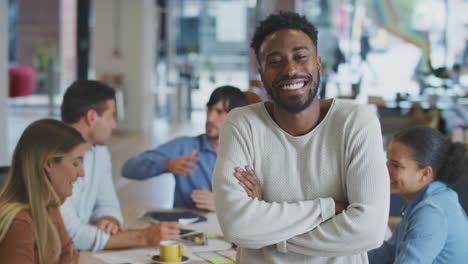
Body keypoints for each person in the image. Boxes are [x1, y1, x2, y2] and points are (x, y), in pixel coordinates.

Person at [212, 11, 390, 263]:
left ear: (318, 64)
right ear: (261, 74)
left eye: (301, 57)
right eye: (275, 61)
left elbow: (370, 231)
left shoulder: (355, 121)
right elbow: (236, 225)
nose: (291, 69)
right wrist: (328, 208)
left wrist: (270, 231)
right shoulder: (242, 124)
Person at [59, 80, 181, 251]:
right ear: (92, 117)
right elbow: (69, 235)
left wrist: (109, 220)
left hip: (82, 252)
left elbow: (108, 202)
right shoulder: (52, 160)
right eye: (111, 116)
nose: (114, 124)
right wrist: (143, 237)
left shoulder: (99, 152)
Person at [122, 86, 248, 211]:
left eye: (219, 112)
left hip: (230, 228)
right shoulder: (185, 147)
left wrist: (223, 205)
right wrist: (166, 164)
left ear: (236, 118)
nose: (210, 118)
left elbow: (260, 206)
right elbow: (128, 169)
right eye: (209, 109)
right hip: (189, 227)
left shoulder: (249, 154)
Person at [368, 126, 468, 263]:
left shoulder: (431, 212)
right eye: (388, 161)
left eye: (396, 165)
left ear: (425, 173)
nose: (385, 170)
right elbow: (388, 252)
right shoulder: (426, 199)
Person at [0, 119, 88, 263]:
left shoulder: (49, 205)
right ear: (48, 164)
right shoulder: (19, 223)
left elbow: (68, 254)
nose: (81, 173)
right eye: (75, 163)